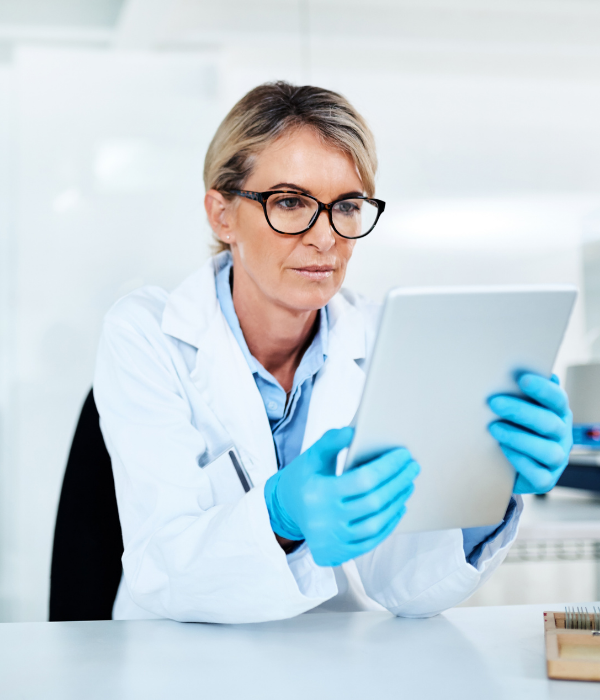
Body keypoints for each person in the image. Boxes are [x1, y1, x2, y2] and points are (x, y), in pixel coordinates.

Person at [94, 82, 573, 623]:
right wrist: (279, 517)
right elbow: (161, 568)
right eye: (291, 202)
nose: (325, 237)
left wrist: (483, 494)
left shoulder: (382, 340)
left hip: (332, 659)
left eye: (346, 206)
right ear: (221, 214)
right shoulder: (148, 335)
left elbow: (400, 582)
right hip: (177, 657)